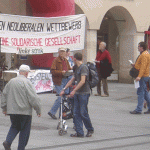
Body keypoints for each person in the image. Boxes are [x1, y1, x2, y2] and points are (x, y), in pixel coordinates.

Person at [1, 64, 41, 150]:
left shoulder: (11, 81)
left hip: (12, 111)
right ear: (26, 73)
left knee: (15, 126)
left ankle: (8, 141)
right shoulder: (27, 82)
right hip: (25, 112)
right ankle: (21, 148)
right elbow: (33, 98)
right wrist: (38, 110)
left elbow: (4, 95)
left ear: (19, 72)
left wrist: (4, 108)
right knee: (24, 131)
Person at [60, 52, 94, 137]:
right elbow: (72, 80)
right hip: (77, 93)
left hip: (84, 93)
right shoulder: (76, 68)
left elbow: (83, 81)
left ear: (75, 59)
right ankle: (79, 132)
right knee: (76, 113)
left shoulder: (84, 67)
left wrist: (74, 90)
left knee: (83, 113)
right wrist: (64, 89)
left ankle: (90, 129)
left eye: (73, 59)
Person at [48, 47, 71, 119]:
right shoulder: (56, 60)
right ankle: (52, 112)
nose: (62, 53)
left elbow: (69, 69)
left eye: (63, 52)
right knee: (60, 97)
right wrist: (61, 72)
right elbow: (52, 71)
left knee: (64, 98)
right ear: (59, 52)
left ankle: (61, 114)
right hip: (59, 80)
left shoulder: (66, 60)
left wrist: (70, 71)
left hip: (65, 80)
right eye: (61, 52)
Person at [130, 42, 150, 114]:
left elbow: (143, 67)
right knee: (145, 93)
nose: (138, 48)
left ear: (142, 47)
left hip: (143, 76)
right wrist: (135, 65)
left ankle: (139, 109)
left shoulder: (144, 55)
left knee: (140, 93)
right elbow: (142, 65)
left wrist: (139, 76)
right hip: (144, 75)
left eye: (139, 46)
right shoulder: (145, 54)